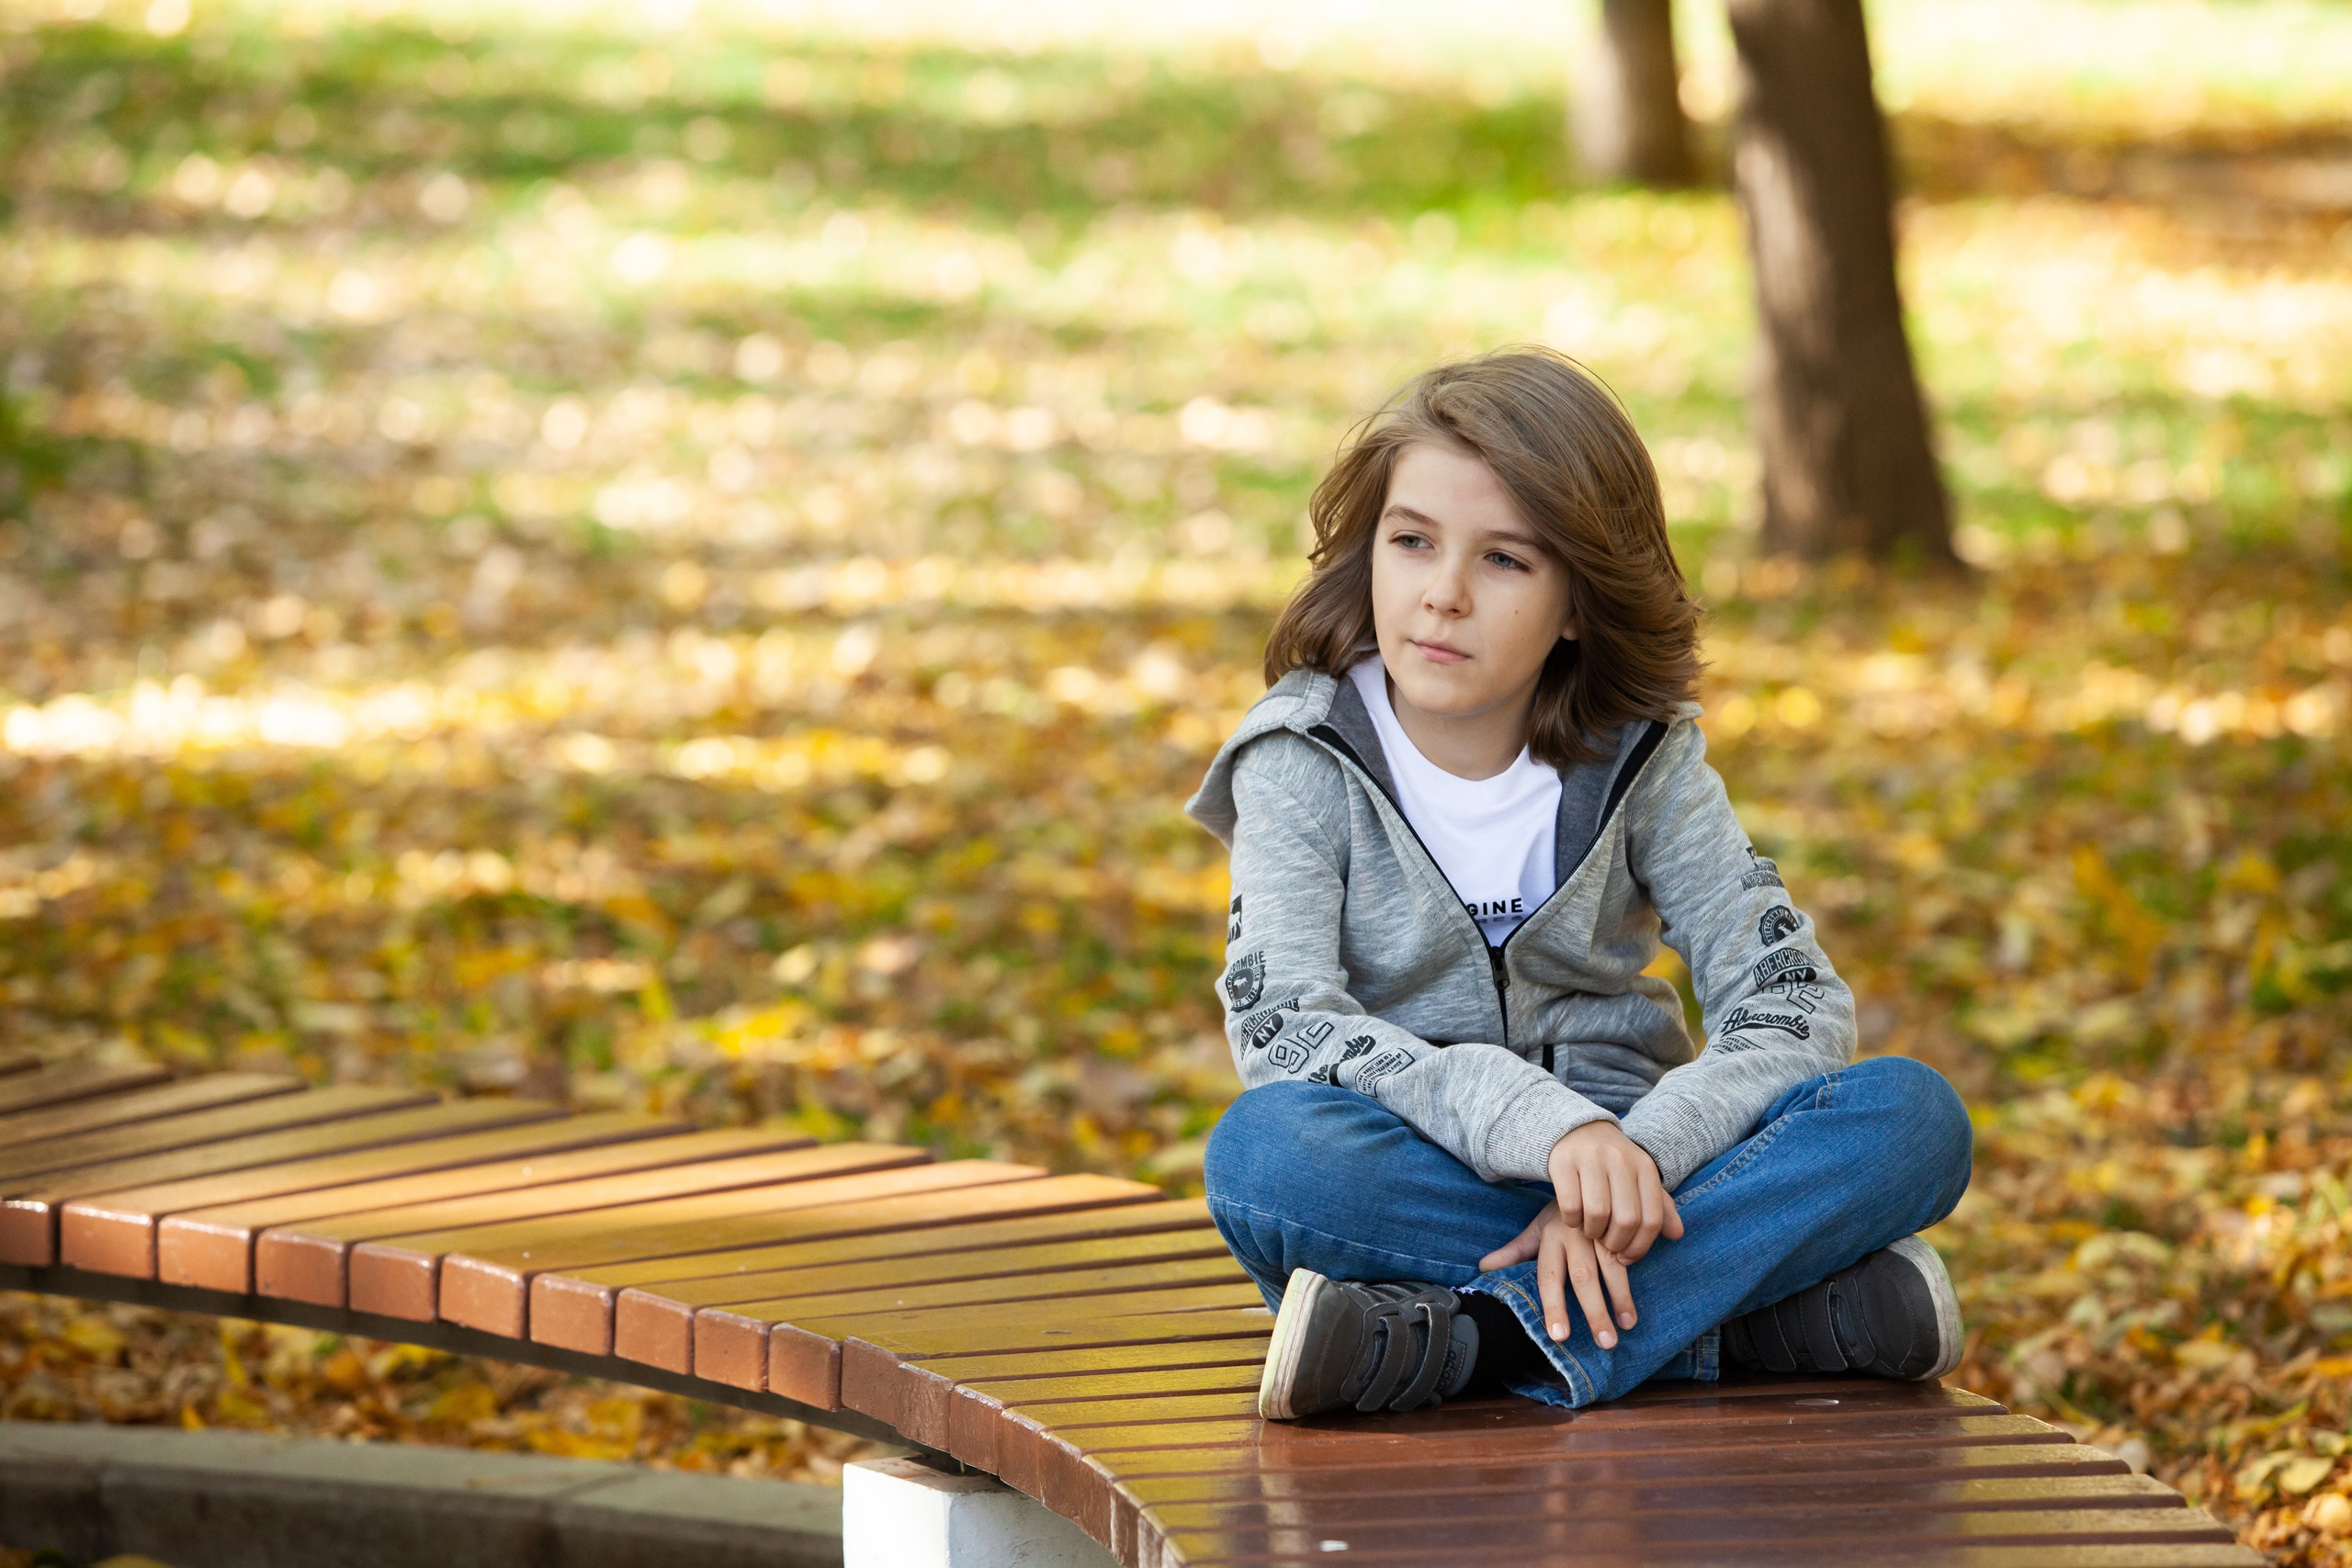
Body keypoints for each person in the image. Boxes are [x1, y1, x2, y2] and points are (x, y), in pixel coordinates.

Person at [1185, 346, 1973, 1419]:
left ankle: (1471, 1336)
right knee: (1265, 1157)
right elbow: (1286, 1030)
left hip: (1653, 1174)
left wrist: (1628, 1161)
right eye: (1412, 542)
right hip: (1416, 1166)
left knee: (1913, 1120)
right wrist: (1543, 1132)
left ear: (1574, 602)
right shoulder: (1300, 760)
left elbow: (1789, 1000)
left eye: (1503, 560)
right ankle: (1732, 1323)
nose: (1442, 596)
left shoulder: (1640, 759)